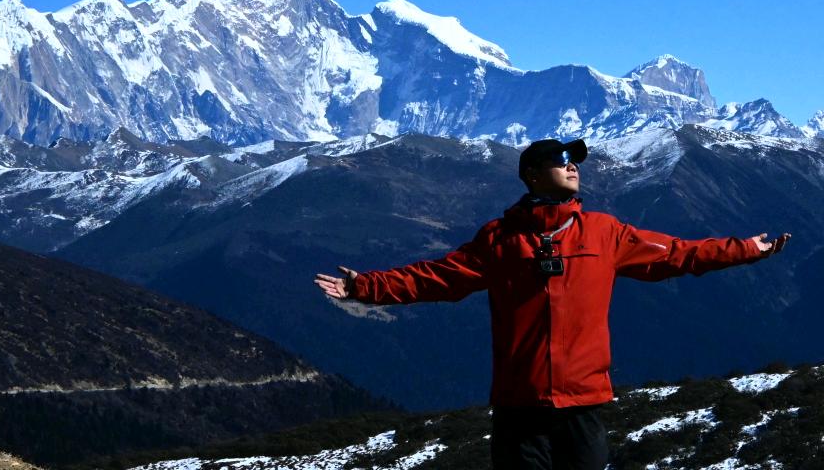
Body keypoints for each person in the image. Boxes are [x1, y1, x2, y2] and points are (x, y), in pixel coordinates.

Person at [314, 137, 791, 470]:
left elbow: (679, 253)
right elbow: (439, 277)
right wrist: (366, 287)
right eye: (559, 158)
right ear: (531, 175)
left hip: (583, 403)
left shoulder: (606, 232)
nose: (572, 164)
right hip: (520, 406)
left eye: (574, 159)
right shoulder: (499, 240)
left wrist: (745, 249)